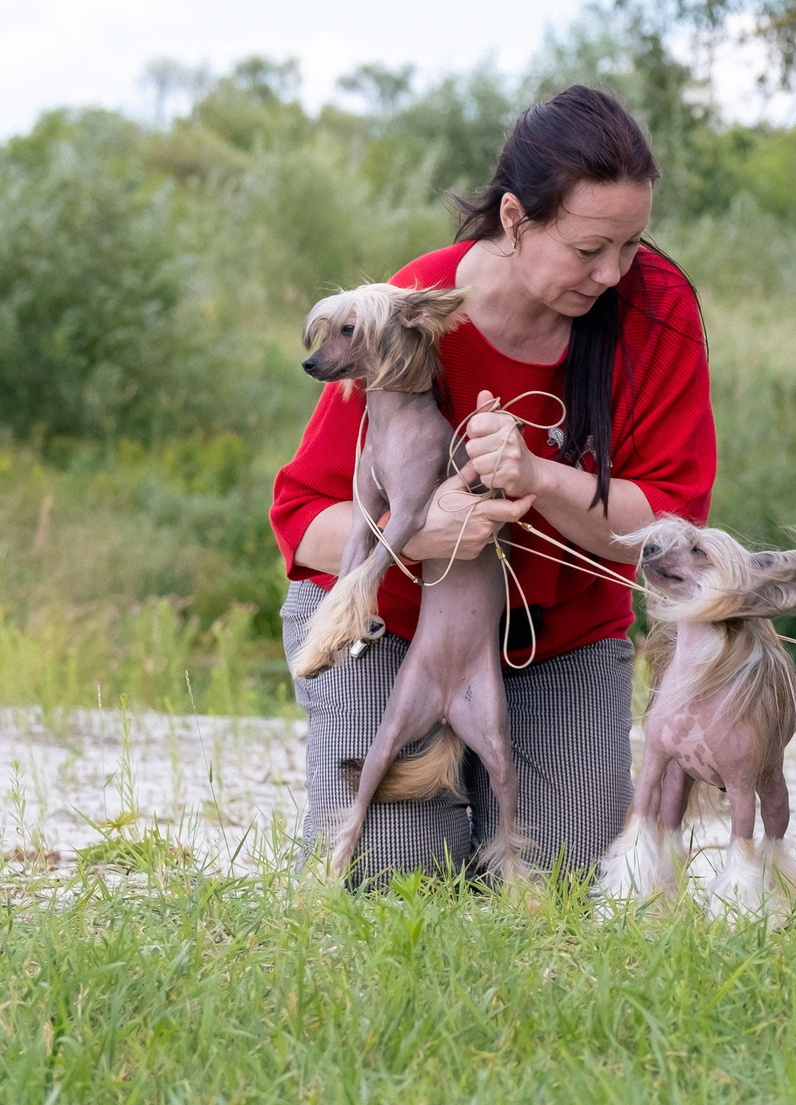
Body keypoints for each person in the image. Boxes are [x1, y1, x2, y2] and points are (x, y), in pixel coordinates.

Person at [270, 85, 715, 883]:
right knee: (393, 873)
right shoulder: (404, 313)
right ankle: (426, 801)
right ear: (515, 219)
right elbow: (302, 519)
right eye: (588, 250)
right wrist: (417, 536)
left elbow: (668, 522)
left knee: (567, 876)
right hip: (396, 626)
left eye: (631, 245)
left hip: (559, 639)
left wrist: (540, 476)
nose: (614, 274)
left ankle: (488, 782)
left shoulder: (660, 311)